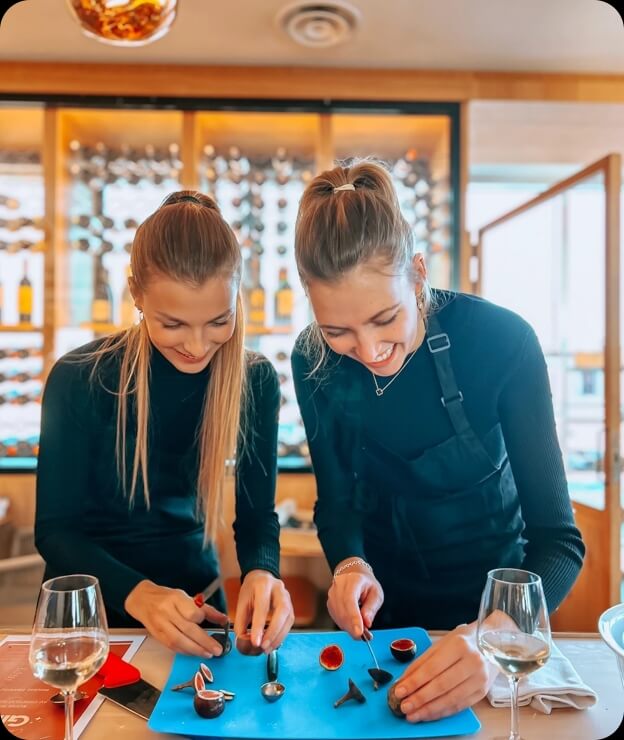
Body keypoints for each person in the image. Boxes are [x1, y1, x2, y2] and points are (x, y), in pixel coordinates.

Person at [291, 161, 585, 722]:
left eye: (385, 318)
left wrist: (495, 640)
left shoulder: (501, 342)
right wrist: (350, 564)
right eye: (338, 332)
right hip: (376, 631)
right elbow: (338, 501)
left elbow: (559, 544)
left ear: (419, 272)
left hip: (492, 627)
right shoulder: (311, 359)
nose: (370, 350)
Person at [36, 191, 294, 658]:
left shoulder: (254, 380)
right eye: (173, 324)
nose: (197, 346)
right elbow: (56, 532)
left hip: (198, 607)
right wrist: (141, 594)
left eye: (219, 321)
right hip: (90, 618)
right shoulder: (79, 378)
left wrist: (262, 570)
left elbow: (256, 518)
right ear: (136, 293)